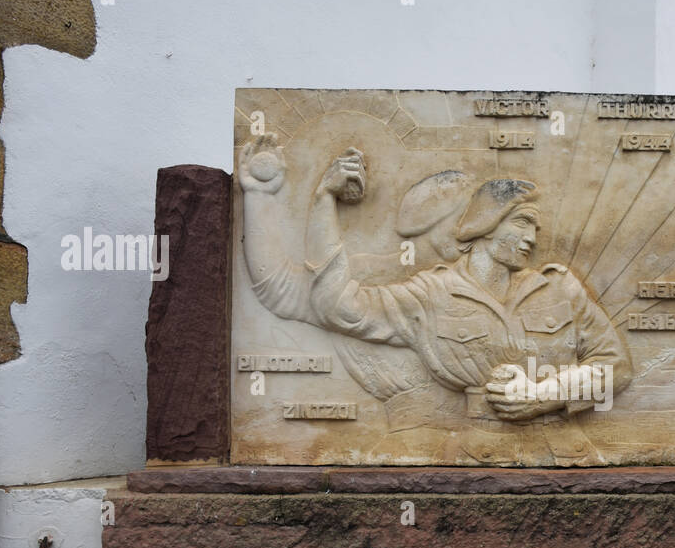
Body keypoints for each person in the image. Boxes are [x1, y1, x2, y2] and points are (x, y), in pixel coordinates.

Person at [238, 136, 632, 465]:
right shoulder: (429, 294)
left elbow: (616, 368)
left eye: (536, 226)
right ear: (487, 226)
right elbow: (338, 308)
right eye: (522, 222)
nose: (532, 237)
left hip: (572, 458)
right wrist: (324, 200)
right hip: (478, 460)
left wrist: (544, 395)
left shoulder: (560, 288)